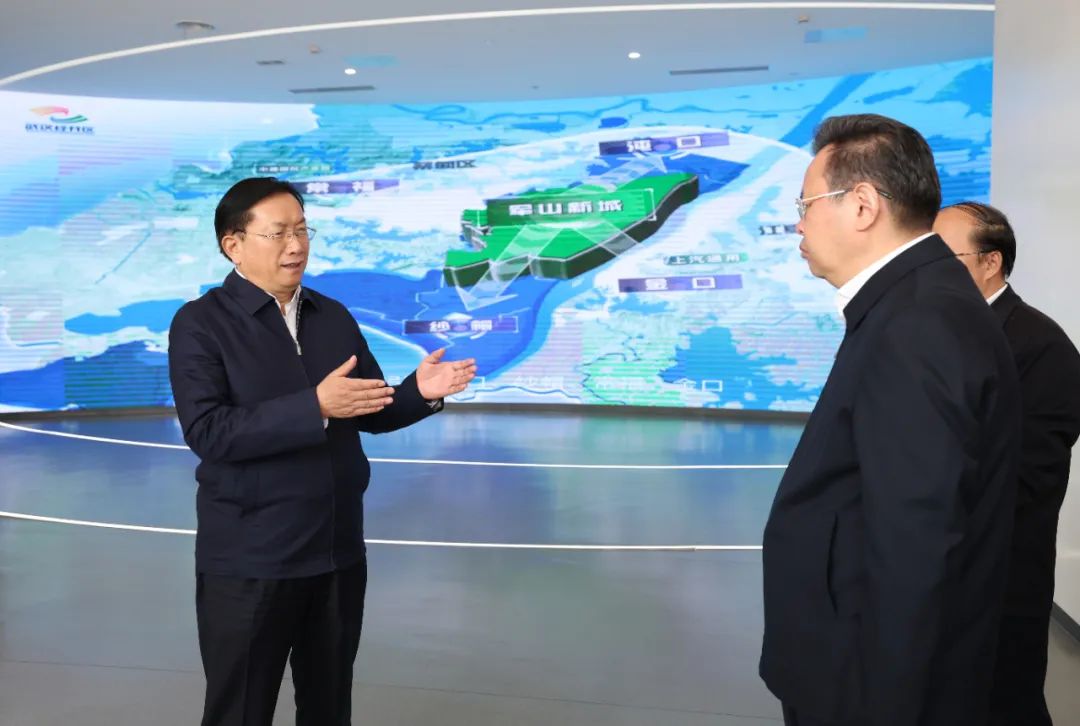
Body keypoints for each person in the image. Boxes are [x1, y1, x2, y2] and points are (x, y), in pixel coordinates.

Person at [167, 177, 477, 726]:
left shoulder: (331, 315)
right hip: (251, 558)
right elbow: (209, 432)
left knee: (329, 707)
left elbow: (371, 411)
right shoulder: (201, 324)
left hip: (336, 553)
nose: (296, 245)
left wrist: (418, 392)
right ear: (233, 244)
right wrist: (315, 406)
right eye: (278, 233)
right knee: (240, 711)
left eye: (303, 230)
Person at [759, 115, 1021, 726]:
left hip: (866, 684)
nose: (798, 223)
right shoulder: (915, 304)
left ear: (862, 204)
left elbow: (914, 545)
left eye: (805, 204)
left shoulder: (917, 324)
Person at [934, 201, 1080, 726]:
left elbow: (1027, 477)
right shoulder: (944, 333)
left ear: (990, 262)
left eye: (944, 257)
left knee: (1005, 701)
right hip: (945, 566)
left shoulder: (1041, 345)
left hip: (1001, 574)